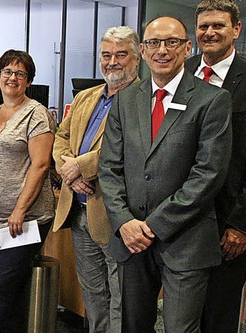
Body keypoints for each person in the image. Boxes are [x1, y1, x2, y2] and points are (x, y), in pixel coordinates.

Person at [98, 16, 233, 333]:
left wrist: (154, 225)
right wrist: (124, 222)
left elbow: (208, 175)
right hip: (130, 241)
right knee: (133, 325)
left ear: (187, 47)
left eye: (172, 42)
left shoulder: (212, 100)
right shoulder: (126, 99)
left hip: (185, 241)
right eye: (154, 43)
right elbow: (109, 166)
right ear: (143, 50)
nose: (163, 50)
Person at [52, 26, 140, 333]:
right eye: (106, 54)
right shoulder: (86, 97)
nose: (112, 61)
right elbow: (61, 136)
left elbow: (128, 149)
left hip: (115, 214)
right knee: (92, 290)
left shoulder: (143, 99)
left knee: (121, 294)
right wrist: (69, 170)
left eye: (121, 54)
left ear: (137, 57)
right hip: (78, 210)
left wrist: (79, 166)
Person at [0, 50, 56, 333]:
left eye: (20, 74)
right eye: (7, 72)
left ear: (28, 81)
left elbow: (41, 164)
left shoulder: (37, 114)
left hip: (22, 219)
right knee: (11, 291)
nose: (13, 78)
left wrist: (19, 209)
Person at [184, 1, 246, 332]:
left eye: (218, 25)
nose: (209, 32)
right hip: (178, 217)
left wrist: (241, 224)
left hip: (227, 223)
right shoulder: (181, 70)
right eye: (203, 26)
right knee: (181, 312)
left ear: (236, 29)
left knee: (218, 314)